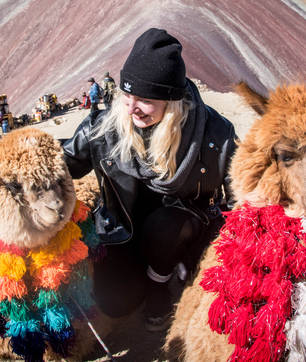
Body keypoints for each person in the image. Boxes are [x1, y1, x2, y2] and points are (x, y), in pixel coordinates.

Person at [61, 28, 237, 331]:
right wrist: (6, 157)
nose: (130, 109)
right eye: (126, 95)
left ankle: (160, 283)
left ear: (171, 100)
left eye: (143, 99)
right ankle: (148, 271)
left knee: (164, 227)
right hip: (122, 230)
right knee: (115, 304)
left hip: (179, 229)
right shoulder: (104, 128)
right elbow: (61, 164)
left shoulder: (215, 134)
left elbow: (240, 195)